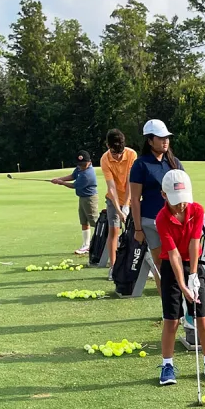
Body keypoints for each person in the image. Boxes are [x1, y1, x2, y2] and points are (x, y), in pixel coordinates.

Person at [155, 169, 205, 387]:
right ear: (164, 195)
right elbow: (173, 254)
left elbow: (195, 243)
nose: (181, 205)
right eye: (176, 202)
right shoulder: (161, 218)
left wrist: (193, 275)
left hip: (192, 264)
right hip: (170, 266)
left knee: (202, 316)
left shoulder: (197, 210)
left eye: (184, 200)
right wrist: (183, 285)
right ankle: (167, 365)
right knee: (171, 319)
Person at [129, 119, 183, 294]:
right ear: (150, 140)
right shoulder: (140, 164)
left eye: (167, 137)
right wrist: (137, 229)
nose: (165, 141)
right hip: (151, 221)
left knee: (179, 261)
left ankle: (181, 308)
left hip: (175, 221)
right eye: (160, 138)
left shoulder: (174, 162)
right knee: (161, 266)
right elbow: (135, 199)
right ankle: (168, 308)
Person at [99, 129, 137, 280]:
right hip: (113, 199)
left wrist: (127, 206)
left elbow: (130, 182)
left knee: (138, 230)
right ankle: (113, 267)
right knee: (114, 231)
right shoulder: (105, 159)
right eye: (115, 153)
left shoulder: (131, 155)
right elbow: (111, 187)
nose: (118, 156)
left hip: (132, 196)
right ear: (107, 146)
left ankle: (139, 264)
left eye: (120, 153)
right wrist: (119, 211)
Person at [51, 150, 98, 255]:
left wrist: (61, 183)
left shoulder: (88, 174)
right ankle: (86, 245)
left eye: (83, 164)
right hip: (82, 197)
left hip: (90, 199)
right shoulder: (80, 168)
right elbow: (73, 176)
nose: (81, 166)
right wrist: (59, 179)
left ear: (89, 162)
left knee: (95, 222)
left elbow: (74, 185)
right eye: (79, 164)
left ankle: (111, 240)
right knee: (84, 221)